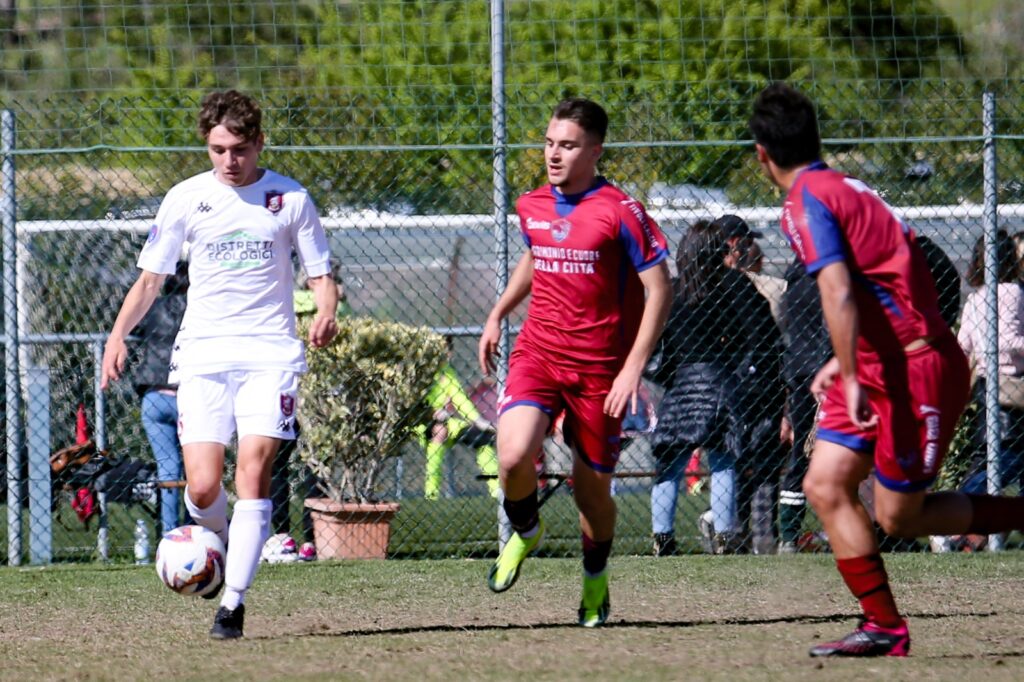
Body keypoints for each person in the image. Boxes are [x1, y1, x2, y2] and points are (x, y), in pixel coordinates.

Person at [750, 81, 1024, 658]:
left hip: (914, 370)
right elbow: (888, 280)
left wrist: (851, 374)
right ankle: (883, 626)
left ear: (761, 154)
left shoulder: (805, 202)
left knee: (900, 517)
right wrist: (847, 359)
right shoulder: (844, 186)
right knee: (824, 484)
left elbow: (838, 290)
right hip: (881, 361)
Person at [101, 90, 338, 640]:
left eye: (239, 149)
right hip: (204, 354)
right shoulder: (186, 198)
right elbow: (151, 280)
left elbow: (321, 274)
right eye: (218, 150)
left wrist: (326, 311)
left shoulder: (290, 199)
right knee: (204, 488)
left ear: (259, 143)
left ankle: (232, 601)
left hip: (269, 354)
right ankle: (224, 545)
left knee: (252, 471)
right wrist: (117, 335)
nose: (229, 161)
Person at [478, 97, 671, 627]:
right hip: (539, 352)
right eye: (549, 143)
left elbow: (660, 289)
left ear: (595, 151)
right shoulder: (532, 204)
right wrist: (498, 312)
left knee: (591, 494)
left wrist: (633, 368)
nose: (553, 154)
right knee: (512, 455)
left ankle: (594, 579)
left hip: (600, 370)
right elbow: (536, 254)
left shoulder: (621, 210)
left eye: (567, 145)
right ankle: (527, 531)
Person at [647, 222, 772, 556]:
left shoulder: (673, 290)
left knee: (670, 462)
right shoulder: (733, 285)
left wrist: (669, 376)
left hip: (682, 384)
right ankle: (724, 536)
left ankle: (662, 538)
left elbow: (657, 343)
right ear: (716, 252)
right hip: (722, 380)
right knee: (723, 459)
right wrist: (743, 366)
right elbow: (759, 331)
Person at [776, 257, 832, 552]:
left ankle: (789, 534)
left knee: (799, 455)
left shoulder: (793, 283)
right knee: (842, 453)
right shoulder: (832, 278)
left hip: (798, 373)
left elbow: (787, 333)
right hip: (828, 374)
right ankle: (842, 528)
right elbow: (831, 330)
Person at [132, 260, 189, 536]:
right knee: (196, 467)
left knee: (168, 468)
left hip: (154, 395)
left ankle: (170, 532)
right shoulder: (199, 308)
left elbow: (135, 329)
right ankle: (195, 527)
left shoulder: (153, 308)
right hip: (187, 396)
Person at [417, 336, 499, 500]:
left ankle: (497, 490)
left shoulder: (448, 372)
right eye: (442, 349)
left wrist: (479, 422)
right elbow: (414, 403)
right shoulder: (421, 371)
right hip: (421, 421)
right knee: (439, 431)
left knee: (483, 437)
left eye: (449, 349)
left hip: (447, 420)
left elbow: (460, 399)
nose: (447, 354)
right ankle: (431, 494)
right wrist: (431, 412)